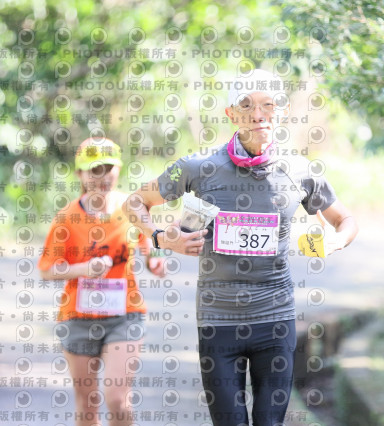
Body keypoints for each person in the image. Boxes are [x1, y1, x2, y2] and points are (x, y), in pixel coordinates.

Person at [122, 69, 358, 426]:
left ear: (280, 112)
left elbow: (346, 220)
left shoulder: (299, 170)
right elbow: (134, 203)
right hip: (218, 323)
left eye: (267, 105)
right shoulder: (198, 167)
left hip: (275, 320)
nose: (258, 114)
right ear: (232, 114)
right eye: (246, 105)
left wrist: (335, 241)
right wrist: (159, 237)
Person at [39, 137, 165, 426]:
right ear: (80, 174)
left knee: (118, 400)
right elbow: (47, 270)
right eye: (94, 169)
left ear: (118, 169)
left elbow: (150, 242)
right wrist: (84, 268)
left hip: (125, 315)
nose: (103, 176)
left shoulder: (131, 207)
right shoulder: (66, 218)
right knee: (87, 405)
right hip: (78, 318)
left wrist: (154, 261)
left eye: (109, 168)